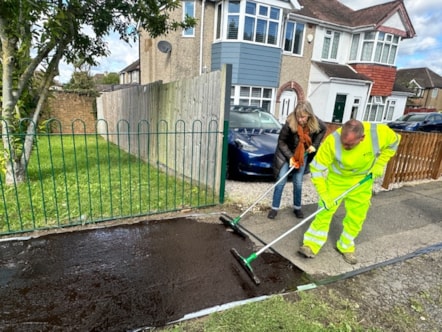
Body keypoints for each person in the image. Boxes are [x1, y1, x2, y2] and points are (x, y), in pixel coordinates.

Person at [298, 119, 401, 264]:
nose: (345, 146)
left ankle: (345, 245)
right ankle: (311, 244)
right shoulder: (332, 141)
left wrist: (380, 163)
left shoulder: (379, 133)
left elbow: (395, 141)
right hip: (337, 180)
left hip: (361, 181)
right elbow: (316, 168)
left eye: (349, 144)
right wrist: (324, 193)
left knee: (357, 216)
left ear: (362, 138)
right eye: (343, 142)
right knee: (324, 211)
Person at [267, 101, 326, 220]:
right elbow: (281, 142)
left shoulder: (316, 122)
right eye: (298, 116)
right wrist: (290, 157)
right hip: (285, 154)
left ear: (309, 115)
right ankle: (274, 208)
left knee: (298, 182)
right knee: (281, 180)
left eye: (303, 117)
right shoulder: (290, 123)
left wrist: (314, 145)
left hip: (302, 154)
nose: (300, 119)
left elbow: (323, 130)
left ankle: (297, 208)